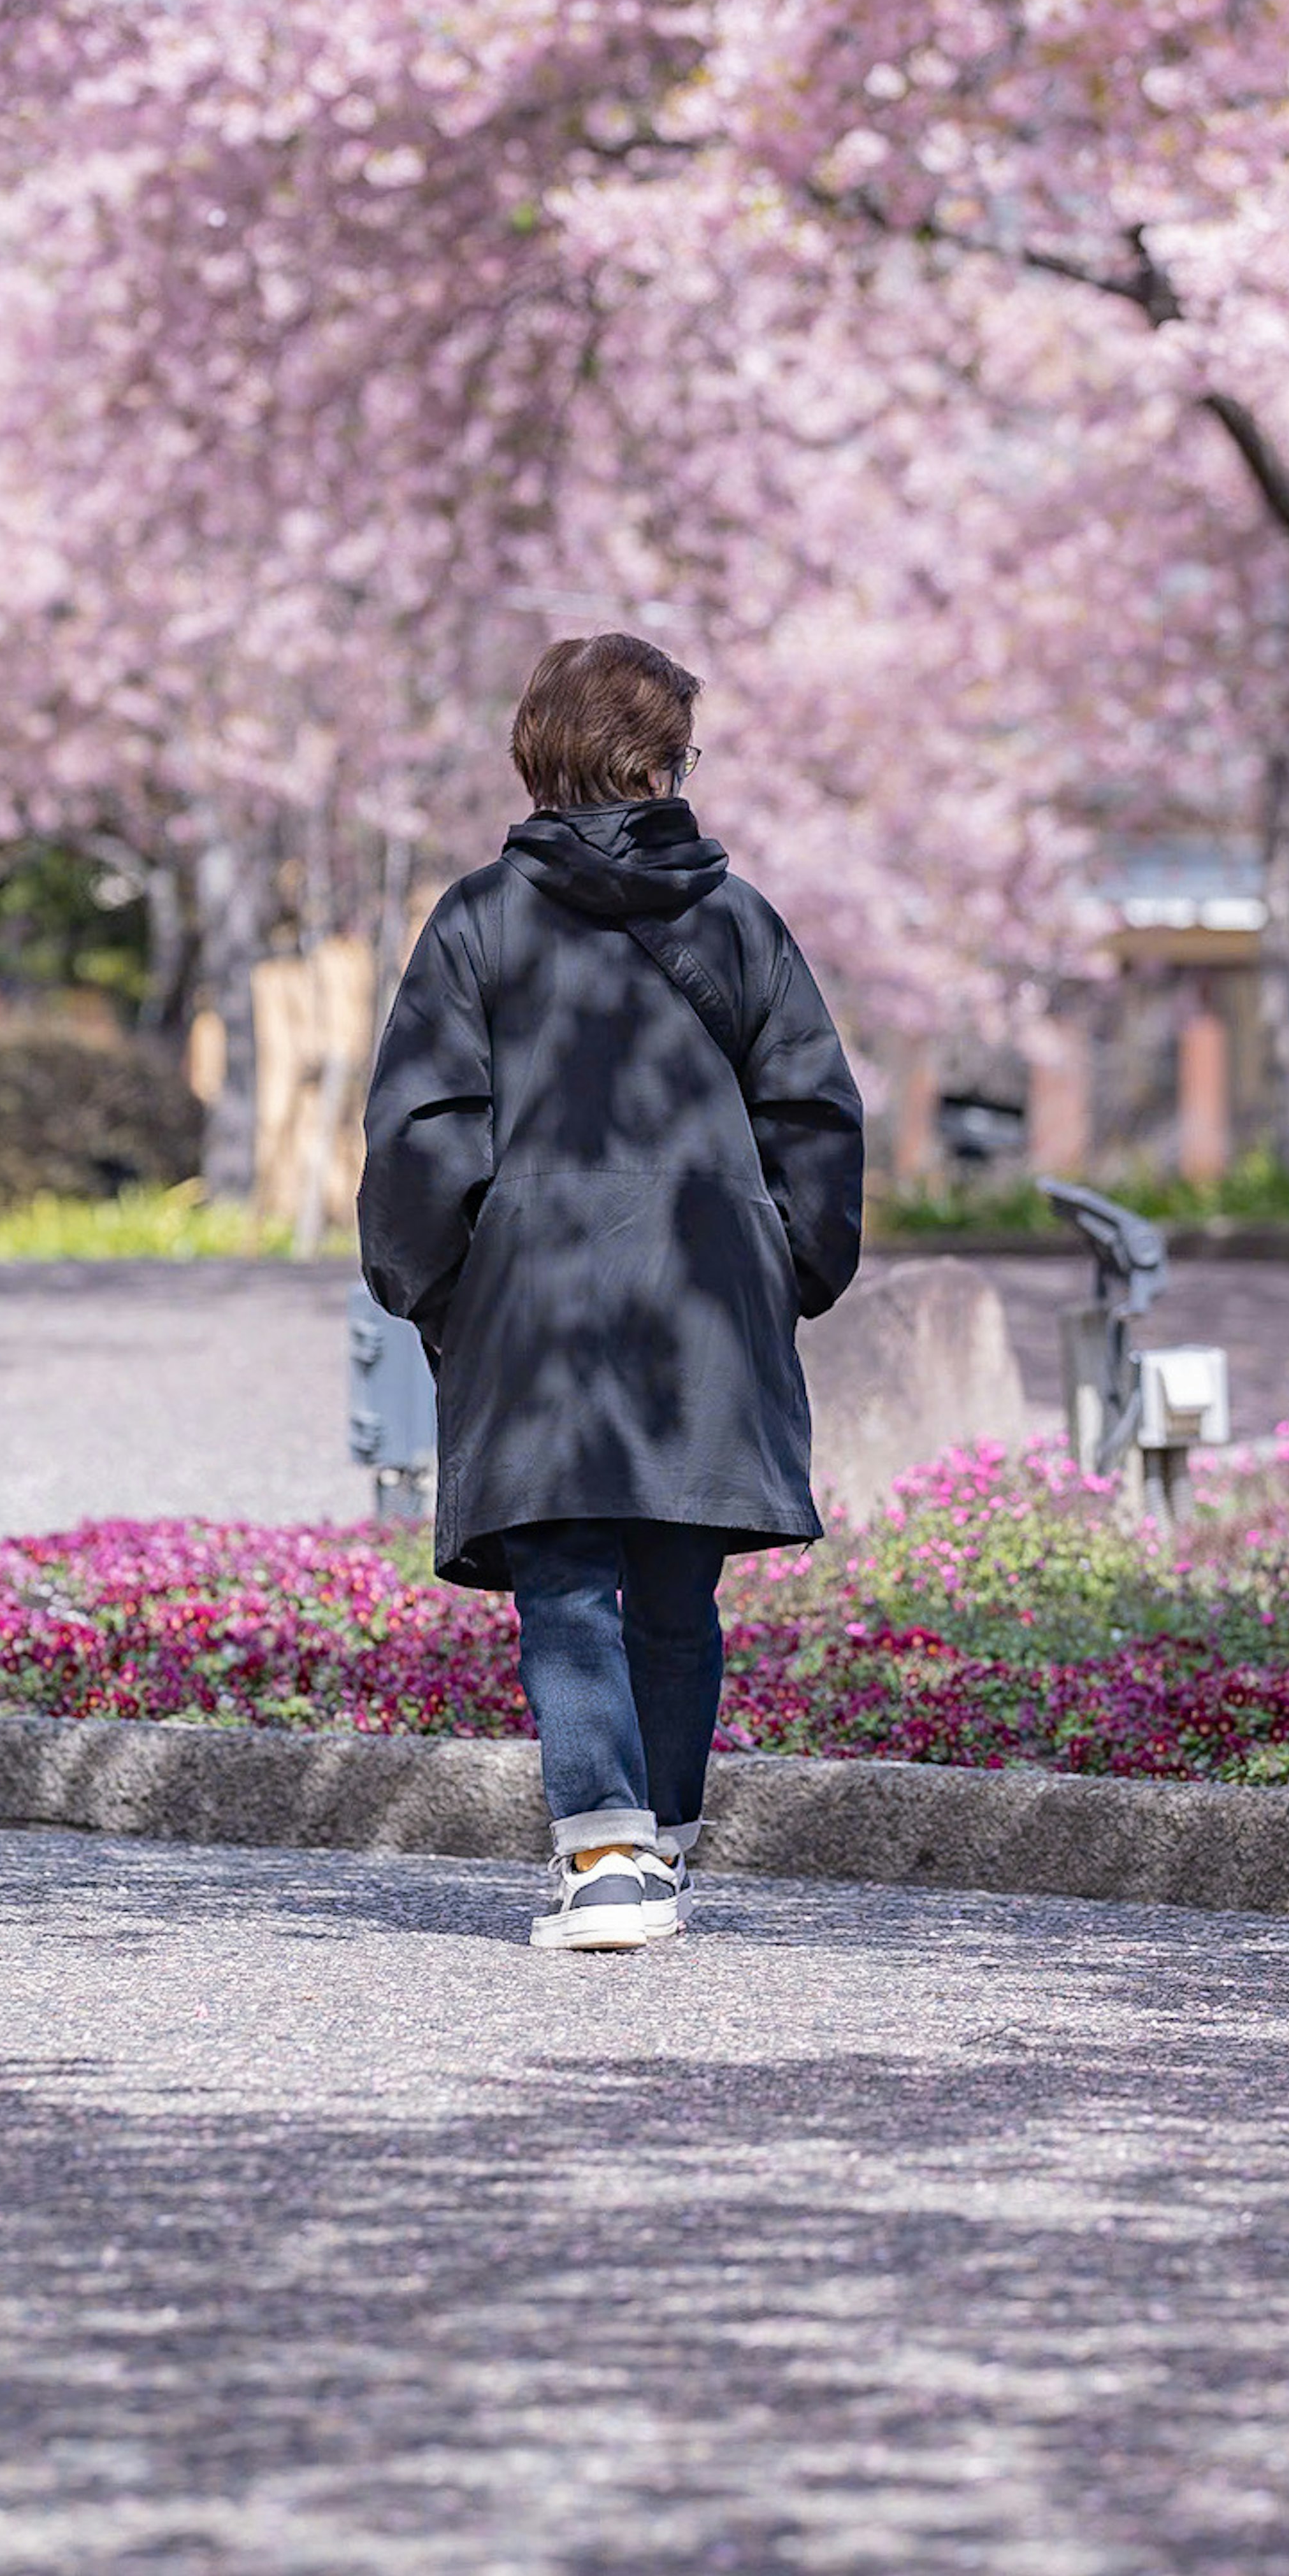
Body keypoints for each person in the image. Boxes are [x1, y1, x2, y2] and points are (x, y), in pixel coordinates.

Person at [357, 632, 864, 1952]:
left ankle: (609, 1852)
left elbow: (423, 1132)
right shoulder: (740, 921)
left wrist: (445, 1292)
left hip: (539, 1308)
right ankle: (661, 1842)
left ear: (537, 750)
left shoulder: (478, 919)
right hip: (708, 1299)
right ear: (665, 763)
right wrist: (790, 1266)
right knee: (676, 1587)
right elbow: (814, 1111)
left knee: (568, 1581)